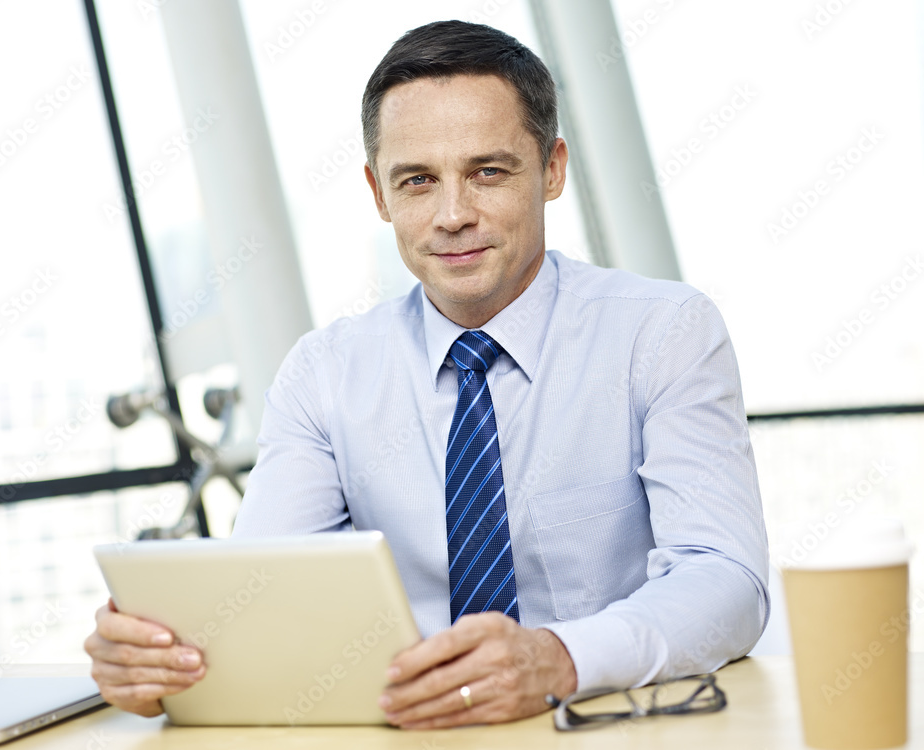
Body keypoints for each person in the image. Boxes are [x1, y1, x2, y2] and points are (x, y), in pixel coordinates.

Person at [85, 20, 769, 729]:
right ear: (379, 195)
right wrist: (159, 659)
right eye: (417, 181)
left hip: (608, 730)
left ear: (554, 168)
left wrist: (556, 658)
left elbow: (726, 581)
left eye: (488, 172)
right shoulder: (324, 375)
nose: (452, 216)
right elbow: (263, 595)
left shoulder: (662, 333)